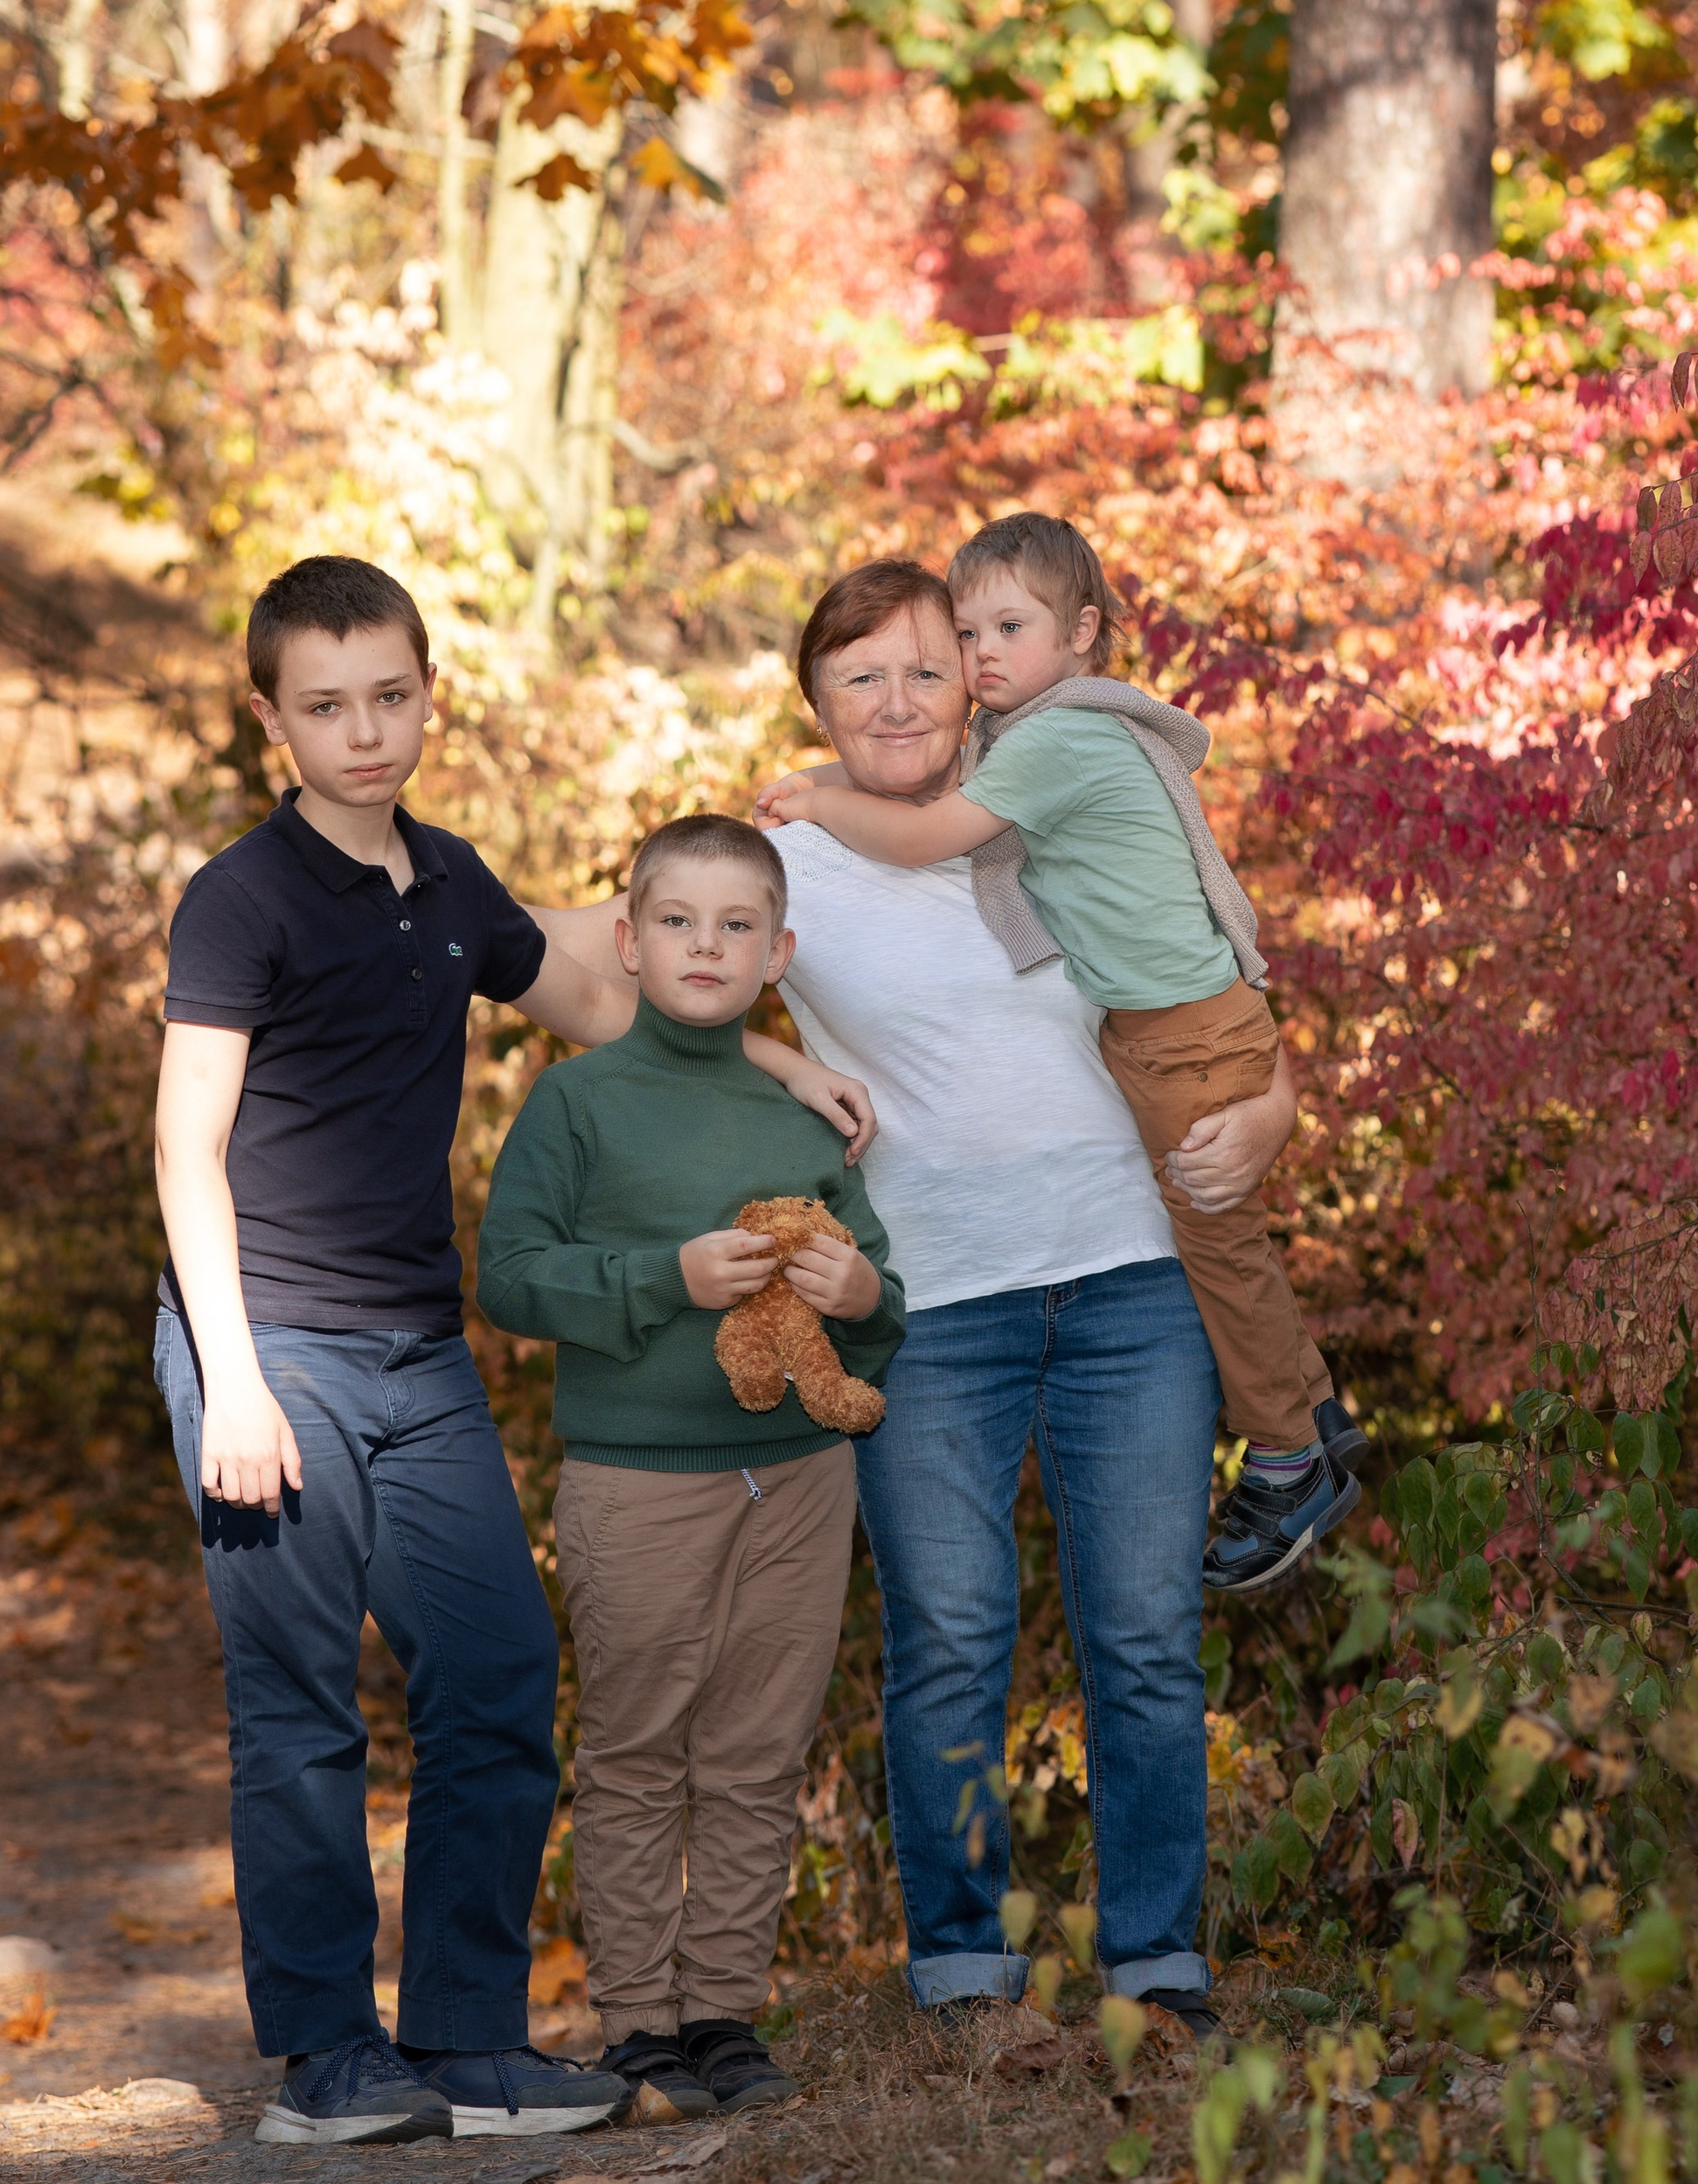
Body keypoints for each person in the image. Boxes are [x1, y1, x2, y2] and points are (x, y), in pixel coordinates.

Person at [150, 558, 874, 2146]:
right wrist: (236, 1380)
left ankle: (468, 2040)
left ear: (428, 691)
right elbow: (185, 1147)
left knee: (495, 1676)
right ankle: (327, 2059)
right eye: (326, 706)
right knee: (300, 1709)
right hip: (265, 1341)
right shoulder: (241, 899)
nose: (365, 732)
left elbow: (619, 1005)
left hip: (418, 1353)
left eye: (391, 697)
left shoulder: (449, 886)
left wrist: (767, 1057)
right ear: (271, 716)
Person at [541, 561, 1300, 2031]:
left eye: (924, 669)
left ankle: (1158, 1957)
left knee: (1141, 1634)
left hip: (1136, 1283)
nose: (895, 701)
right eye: (857, 677)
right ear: (815, 703)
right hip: (928, 1306)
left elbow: (1226, 988)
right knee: (952, 1634)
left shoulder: (1064, 801)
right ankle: (963, 1963)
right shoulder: (791, 859)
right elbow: (590, 973)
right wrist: (775, 1061)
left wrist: (1270, 1114)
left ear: (975, 679)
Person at [756, 514, 1363, 1594]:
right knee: (1231, 1240)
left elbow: (922, 831)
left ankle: (1289, 1452)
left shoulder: (1048, 747)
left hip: (1163, 1110)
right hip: (977, 1246)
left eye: (999, 633)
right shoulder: (1021, 752)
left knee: (1219, 1248)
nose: (983, 657)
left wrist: (814, 794)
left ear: (1082, 633)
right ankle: (1311, 1411)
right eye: (971, 633)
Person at [477, 812, 906, 2124]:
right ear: (629, 941)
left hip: (799, 1477)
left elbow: (878, 1304)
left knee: (758, 1749)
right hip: (638, 1478)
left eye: (735, 927)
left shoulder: (798, 1109)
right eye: (678, 922)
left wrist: (857, 1287)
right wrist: (661, 1278)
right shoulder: (579, 1101)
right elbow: (507, 1279)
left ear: (777, 952)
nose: (705, 946)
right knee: (637, 1747)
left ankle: (723, 2010)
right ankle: (639, 2023)